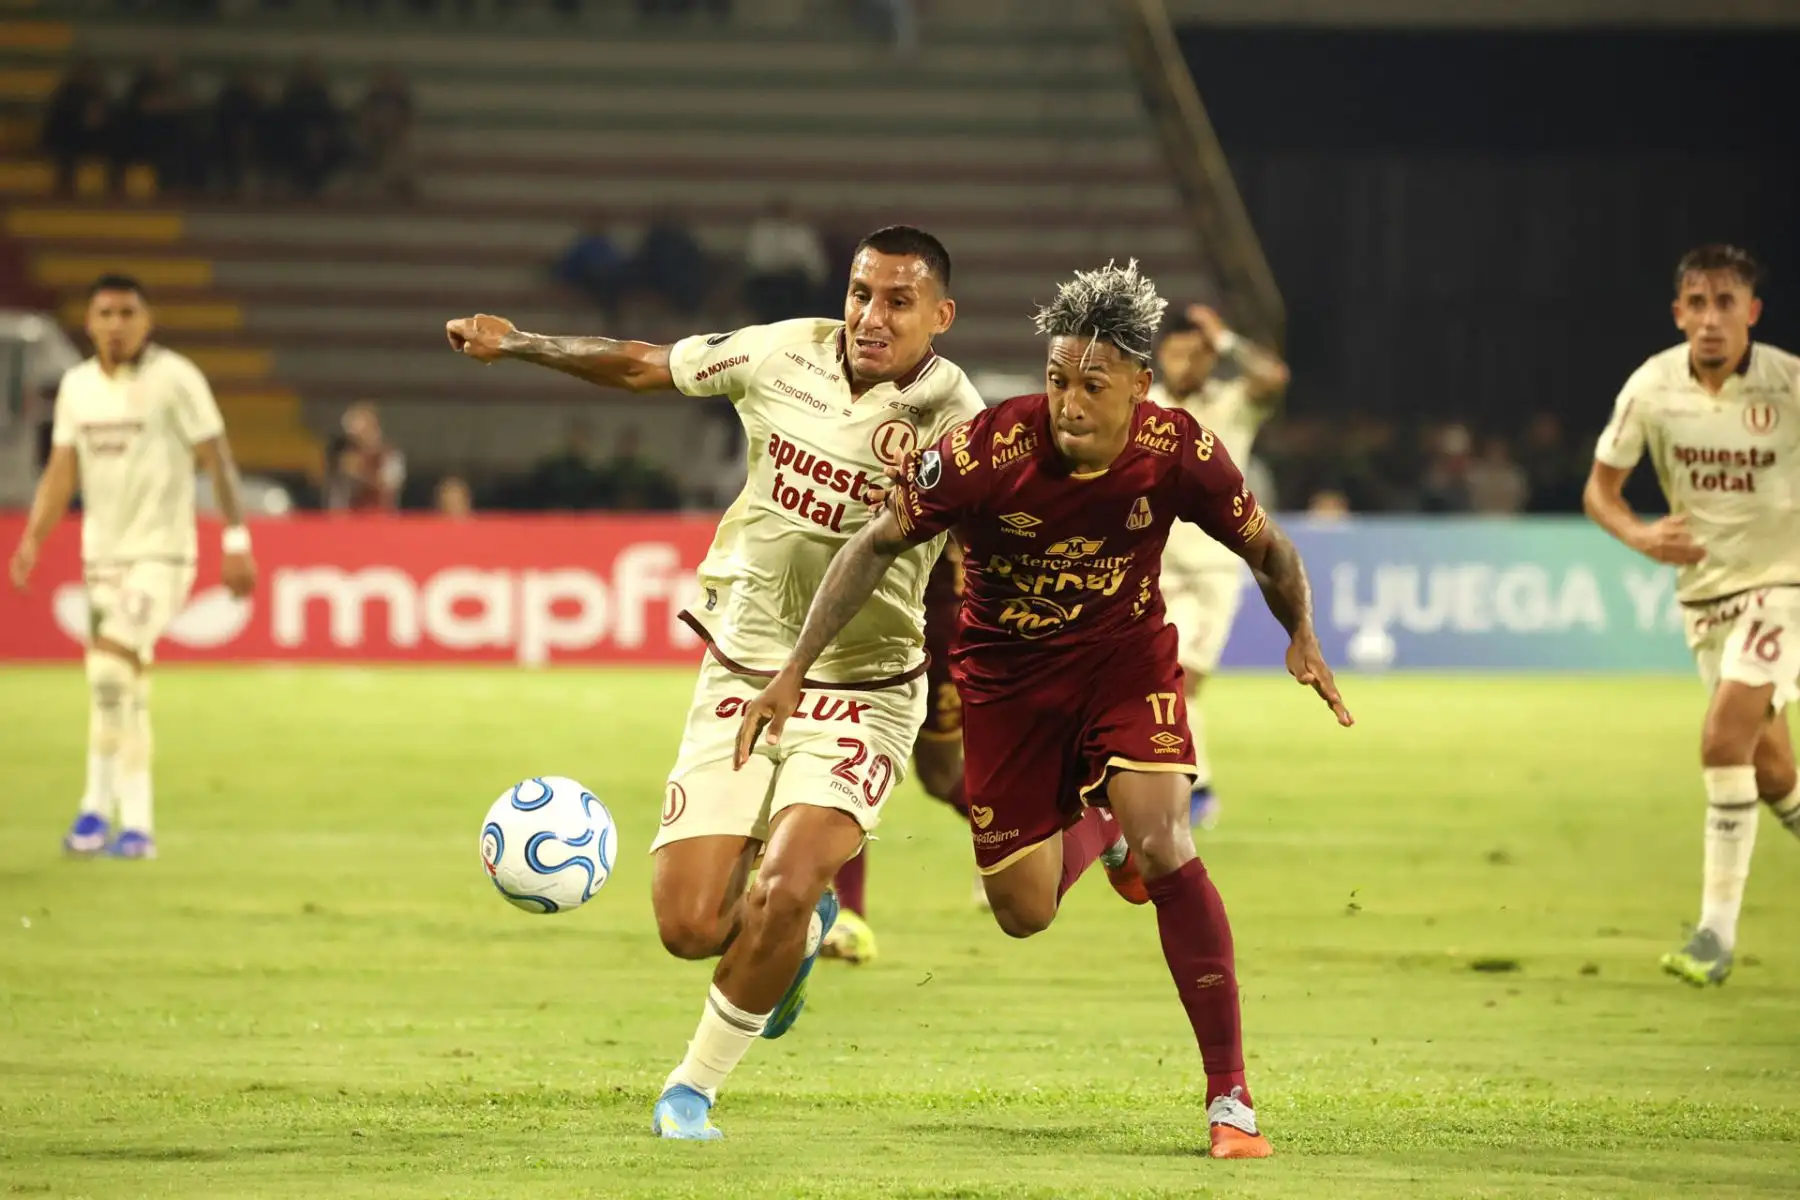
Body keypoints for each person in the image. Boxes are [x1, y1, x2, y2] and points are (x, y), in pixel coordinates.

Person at [734, 261, 1351, 1160]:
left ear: (1139, 388)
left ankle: (1231, 1103)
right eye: (1057, 377)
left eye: (1092, 385)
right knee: (1022, 911)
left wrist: (1302, 636)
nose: (1067, 400)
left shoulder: (1183, 451)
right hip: (1006, 684)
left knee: (1169, 845)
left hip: (1122, 663)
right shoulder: (988, 451)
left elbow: (1269, 548)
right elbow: (873, 546)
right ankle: (1098, 820)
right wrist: (796, 669)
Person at [445, 224, 984, 1140]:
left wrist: (961, 697)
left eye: (897, 300)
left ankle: (690, 1090)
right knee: (692, 926)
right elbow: (644, 365)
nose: (869, 314)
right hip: (742, 662)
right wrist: (525, 343)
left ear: (941, 314)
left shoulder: (958, 420)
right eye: (860, 292)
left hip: (867, 687)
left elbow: (972, 566)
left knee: (779, 885)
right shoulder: (783, 351)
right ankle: (800, 931)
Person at [1584, 244, 1800, 987]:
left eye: (1726, 302)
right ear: (1679, 313)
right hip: (1707, 600)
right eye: (1698, 304)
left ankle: (1714, 935)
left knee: (1722, 736)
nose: (1711, 319)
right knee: (1772, 770)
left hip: (1788, 589)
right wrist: (1640, 533)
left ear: (1752, 313)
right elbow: (1600, 491)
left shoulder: (1790, 384)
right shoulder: (1652, 386)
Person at [9, 274, 257, 859]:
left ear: (147, 320)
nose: (116, 323)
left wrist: (238, 538)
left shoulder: (176, 378)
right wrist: (33, 539)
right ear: (89, 322)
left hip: (162, 556)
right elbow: (61, 470)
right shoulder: (76, 386)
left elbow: (215, 457)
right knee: (125, 687)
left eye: (127, 312)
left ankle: (94, 811)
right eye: (105, 313)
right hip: (102, 558)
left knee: (108, 672)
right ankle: (138, 826)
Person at [1149, 303, 1288, 829]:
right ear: (1163, 354)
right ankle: (1188, 788)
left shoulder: (1231, 403)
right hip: (1152, 567)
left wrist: (1227, 338)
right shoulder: (1144, 406)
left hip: (1213, 569)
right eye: (1181, 353)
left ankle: (1196, 786)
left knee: (1180, 679)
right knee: (1162, 681)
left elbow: (1273, 376)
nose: (1190, 364)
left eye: (1200, 354)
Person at [823, 539, 975, 964]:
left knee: (940, 777)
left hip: (940, 641)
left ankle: (1044, 833)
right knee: (846, 765)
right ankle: (848, 916)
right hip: (871, 640)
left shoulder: (946, 476)